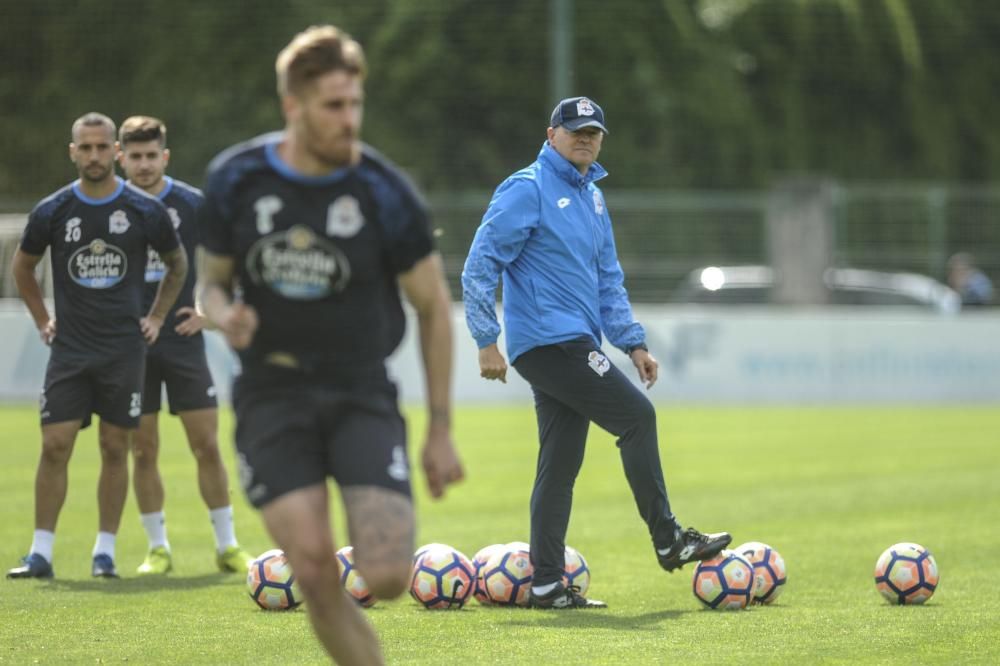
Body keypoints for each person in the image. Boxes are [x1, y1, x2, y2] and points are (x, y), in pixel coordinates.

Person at [195, 25, 463, 664]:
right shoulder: (236, 179)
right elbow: (211, 281)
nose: (350, 121)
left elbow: (432, 307)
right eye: (333, 107)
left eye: (355, 104)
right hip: (271, 396)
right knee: (313, 568)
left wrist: (440, 428)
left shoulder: (384, 192)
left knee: (392, 574)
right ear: (294, 106)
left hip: (359, 391)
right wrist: (222, 314)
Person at [462, 96, 732, 609]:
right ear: (551, 135)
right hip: (549, 341)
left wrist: (633, 342)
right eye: (575, 130)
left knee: (559, 464)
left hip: (572, 341)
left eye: (593, 132)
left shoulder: (592, 196)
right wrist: (484, 339)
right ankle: (668, 538)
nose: (585, 138)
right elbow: (479, 263)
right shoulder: (527, 188)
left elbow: (608, 278)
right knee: (637, 416)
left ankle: (545, 584)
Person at [7, 112, 187, 580]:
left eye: (102, 147)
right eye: (84, 148)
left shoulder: (144, 210)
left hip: (124, 351)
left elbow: (178, 263)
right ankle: (40, 552)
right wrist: (44, 320)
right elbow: (22, 268)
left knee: (115, 447)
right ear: (72, 152)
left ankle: (103, 551)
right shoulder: (53, 210)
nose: (93, 155)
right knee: (55, 444)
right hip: (69, 350)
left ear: (116, 152)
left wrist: (157, 317)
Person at [117, 115, 253, 575]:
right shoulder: (108, 206)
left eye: (151, 156)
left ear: (165, 157)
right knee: (143, 449)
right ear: (121, 158)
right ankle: (158, 548)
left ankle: (227, 544)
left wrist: (208, 316)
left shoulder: (193, 204)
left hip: (181, 340)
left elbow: (228, 266)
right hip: (132, 346)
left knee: (207, 445)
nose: (143, 165)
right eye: (134, 157)